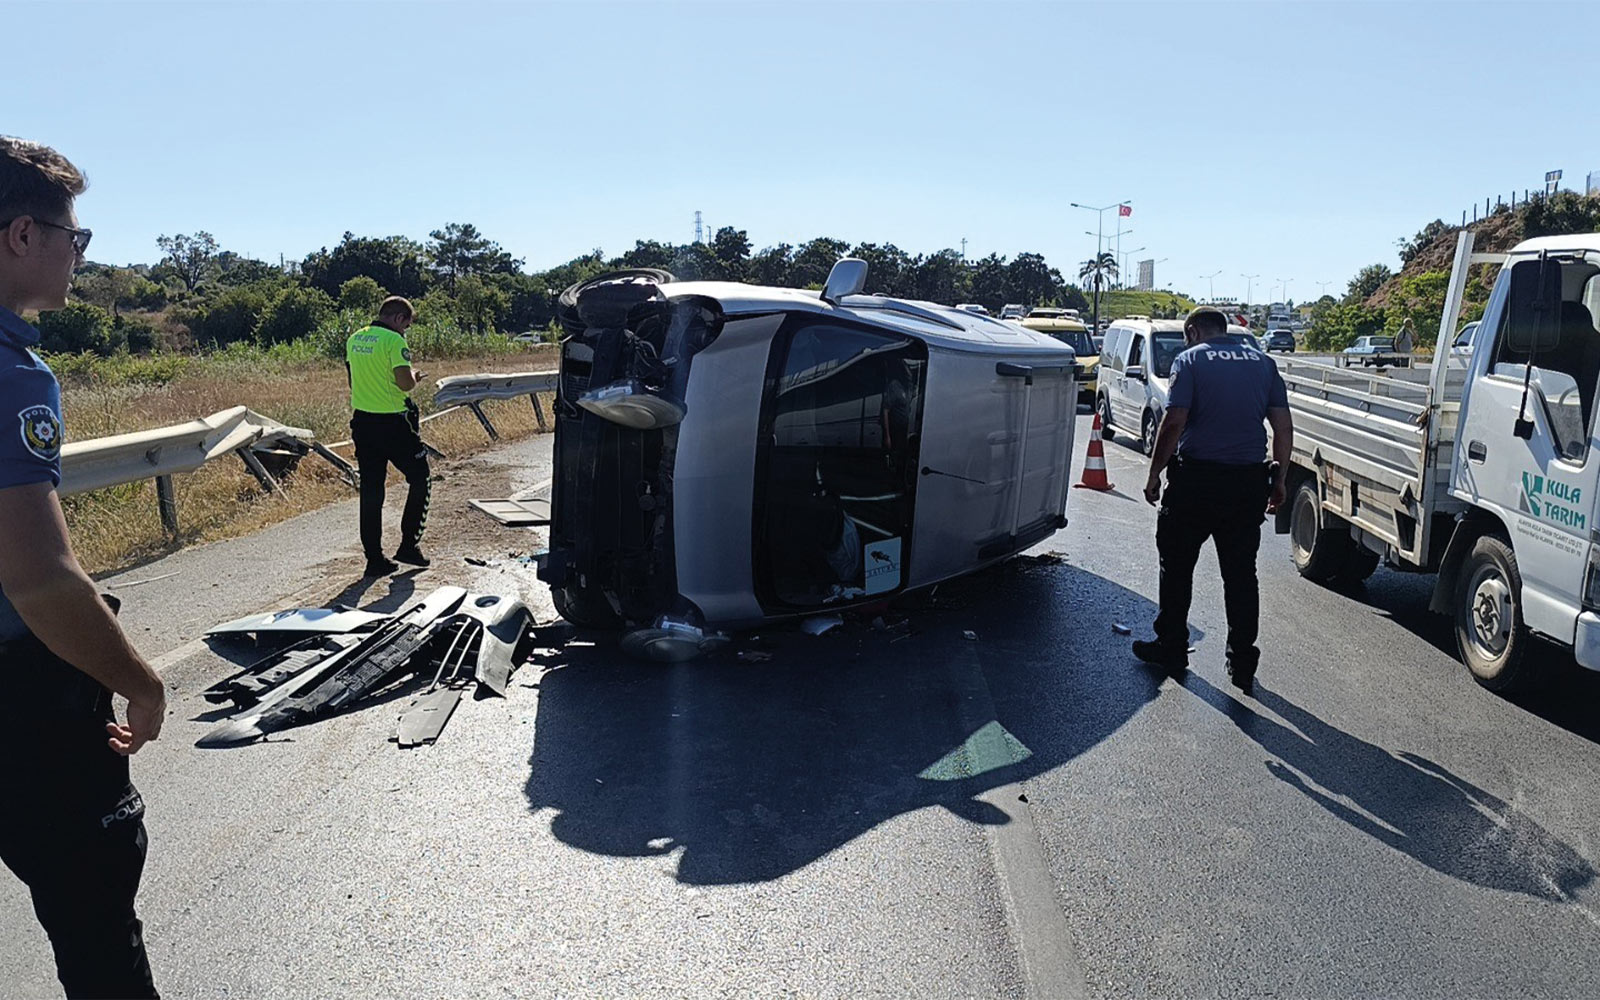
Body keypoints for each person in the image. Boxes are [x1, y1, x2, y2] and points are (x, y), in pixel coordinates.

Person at [0, 136, 164, 997]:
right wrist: (144, 683)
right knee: (97, 921)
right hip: (23, 697)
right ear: (23, 236)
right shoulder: (13, 375)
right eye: (76, 235)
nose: (78, 252)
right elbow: (39, 582)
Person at [1133, 307, 1294, 695]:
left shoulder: (1189, 360)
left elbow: (1173, 423)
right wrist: (1281, 480)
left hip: (1196, 482)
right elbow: (1283, 426)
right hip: (1246, 483)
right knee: (1240, 575)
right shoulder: (1263, 362)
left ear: (1192, 331)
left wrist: (1155, 473)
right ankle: (1241, 661)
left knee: (1176, 566)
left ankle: (1172, 647)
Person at [347, 296, 431, 576]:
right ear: (397, 319)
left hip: (363, 422)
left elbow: (353, 380)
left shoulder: (355, 339)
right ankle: (409, 544)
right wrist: (416, 376)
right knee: (421, 477)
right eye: (406, 325)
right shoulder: (394, 341)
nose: (405, 331)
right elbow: (404, 383)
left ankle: (374, 559)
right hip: (394, 422)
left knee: (372, 491)